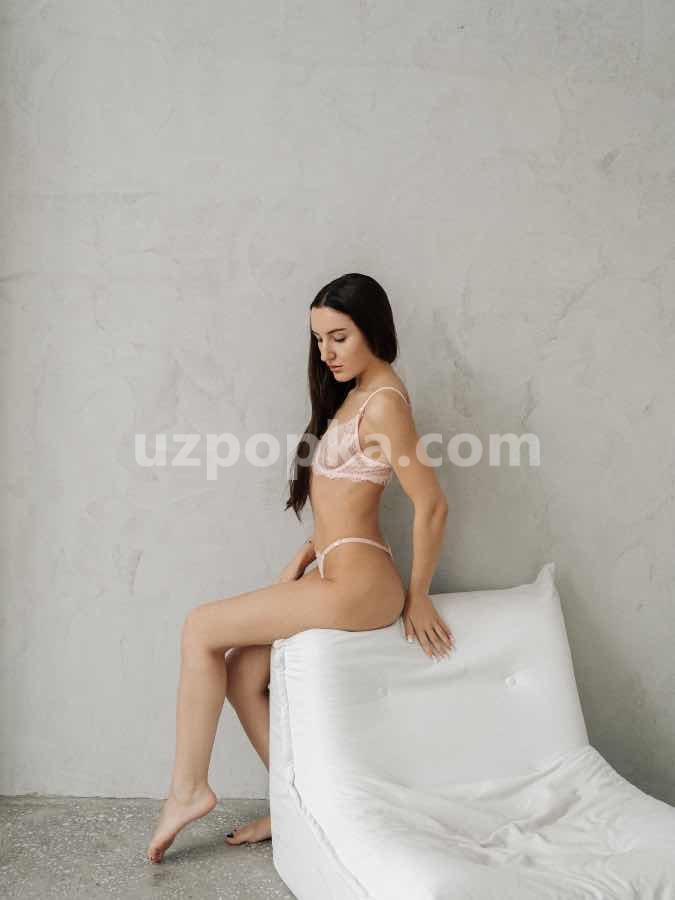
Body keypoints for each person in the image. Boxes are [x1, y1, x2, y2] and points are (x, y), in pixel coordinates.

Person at [146, 272, 452, 863]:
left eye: (339, 337)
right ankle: (295, 807)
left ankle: (187, 790)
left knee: (199, 627)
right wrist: (307, 555)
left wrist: (419, 594)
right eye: (318, 340)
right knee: (241, 673)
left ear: (374, 330)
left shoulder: (385, 404)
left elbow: (432, 503)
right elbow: (344, 496)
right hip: (335, 572)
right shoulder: (358, 395)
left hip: (361, 583)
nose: (326, 353)